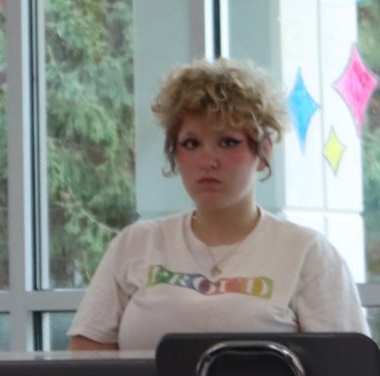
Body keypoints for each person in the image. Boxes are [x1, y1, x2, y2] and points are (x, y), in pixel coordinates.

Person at [68, 58, 368, 352]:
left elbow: (350, 365)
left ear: (263, 153)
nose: (207, 161)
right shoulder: (136, 244)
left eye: (227, 142)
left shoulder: (308, 253)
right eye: (191, 144)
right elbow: (86, 354)